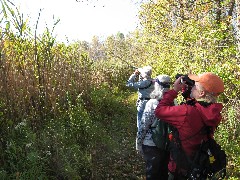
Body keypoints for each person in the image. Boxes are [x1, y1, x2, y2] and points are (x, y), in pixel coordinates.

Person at [154, 72, 225, 179]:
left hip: (180, 168)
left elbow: (159, 111)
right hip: (198, 165)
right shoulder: (212, 112)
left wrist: (174, 90)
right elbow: (195, 106)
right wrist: (189, 90)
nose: (192, 88)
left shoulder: (186, 112)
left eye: (194, 86)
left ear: (201, 93)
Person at [136, 74, 172, 180]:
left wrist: (138, 143)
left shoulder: (152, 103)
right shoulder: (174, 102)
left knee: (152, 173)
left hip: (151, 144)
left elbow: (143, 126)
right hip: (167, 143)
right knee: (164, 172)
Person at [126, 66, 154, 130]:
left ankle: (140, 138)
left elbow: (128, 84)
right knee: (149, 123)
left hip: (143, 104)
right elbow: (143, 83)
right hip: (151, 103)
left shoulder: (143, 83)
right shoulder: (153, 81)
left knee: (140, 124)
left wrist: (135, 74)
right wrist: (141, 75)